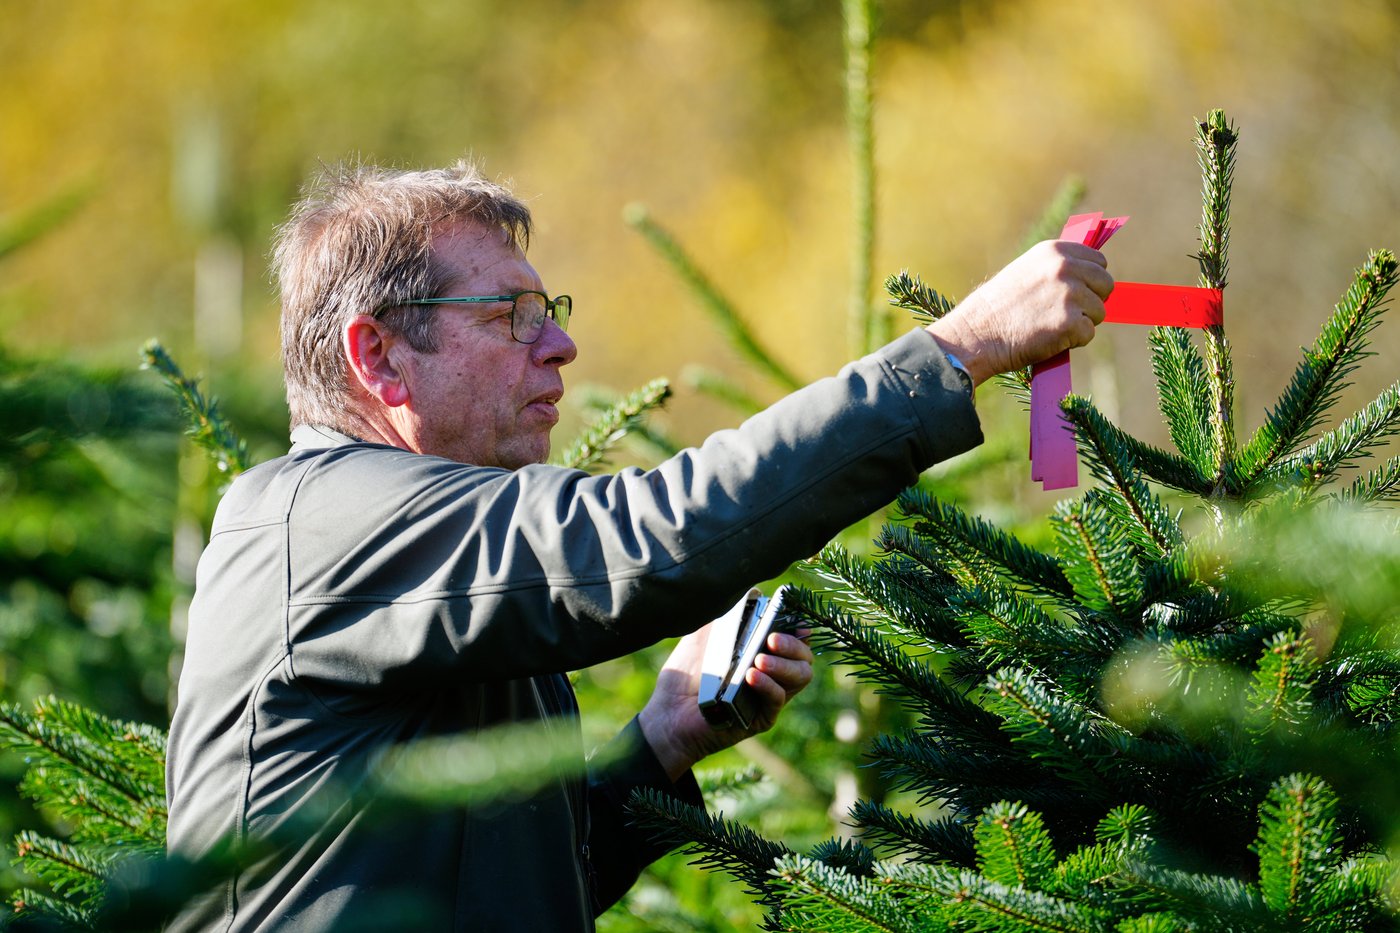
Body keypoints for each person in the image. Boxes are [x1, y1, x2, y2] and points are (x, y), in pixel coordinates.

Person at [165, 160, 1113, 931]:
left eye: (552, 311)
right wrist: (958, 350)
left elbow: (523, 891)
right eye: (510, 317)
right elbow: (648, 537)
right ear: (377, 356)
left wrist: (662, 740)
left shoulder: (435, 553)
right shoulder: (320, 521)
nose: (562, 348)